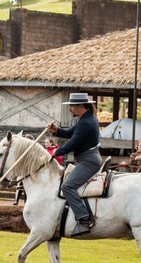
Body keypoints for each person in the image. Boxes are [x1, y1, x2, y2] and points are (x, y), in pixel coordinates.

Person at [46, 92, 101, 237]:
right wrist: (56, 130)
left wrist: (56, 152)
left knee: (67, 186)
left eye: (71, 106)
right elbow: (70, 133)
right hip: (87, 159)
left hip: (88, 161)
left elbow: (73, 143)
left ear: (80, 106)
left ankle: (84, 220)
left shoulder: (87, 123)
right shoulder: (85, 119)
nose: (70, 109)